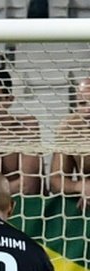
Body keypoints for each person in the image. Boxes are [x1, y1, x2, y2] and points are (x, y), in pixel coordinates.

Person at [49, 76, 90, 209]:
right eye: (82, 104)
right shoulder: (70, 128)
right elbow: (55, 182)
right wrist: (81, 186)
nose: (87, 110)